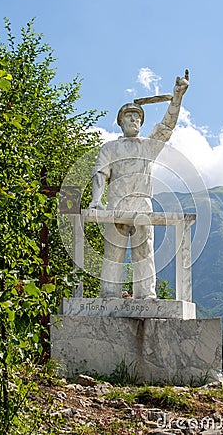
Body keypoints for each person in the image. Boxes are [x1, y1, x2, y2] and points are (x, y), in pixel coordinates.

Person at [89, 70, 189, 299]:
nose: (134, 120)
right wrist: (96, 200)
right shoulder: (110, 148)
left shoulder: (147, 146)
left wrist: (178, 96)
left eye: (137, 117)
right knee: (113, 253)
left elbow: (166, 126)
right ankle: (109, 294)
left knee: (144, 253)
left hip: (143, 206)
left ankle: (146, 295)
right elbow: (100, 174)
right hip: (117, 205)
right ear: (120, 122)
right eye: (129, 117)